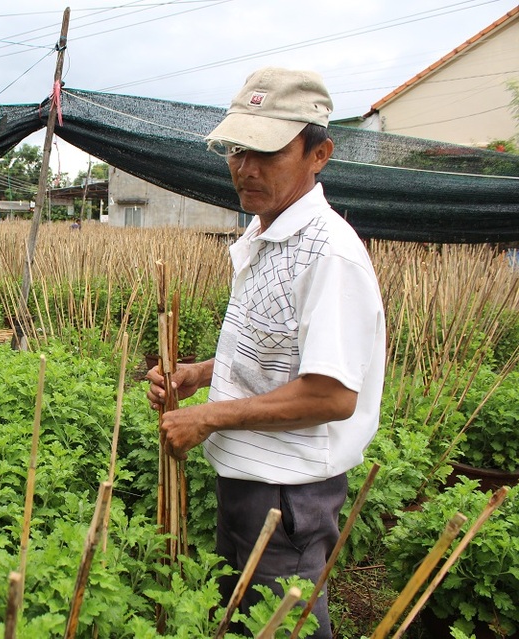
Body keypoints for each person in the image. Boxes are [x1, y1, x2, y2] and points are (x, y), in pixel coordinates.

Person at [146, 67, 386, 638]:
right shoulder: (265, 235)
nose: (245, 168)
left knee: (284, 626)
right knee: (241, 620)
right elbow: (276, 351)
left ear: (318, 154)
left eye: (267, 152)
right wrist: (200, 376)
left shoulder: (330, 256)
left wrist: (209, 416)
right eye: (236, 150)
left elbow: (331, 394)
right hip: (247, 477)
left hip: (290, 495)